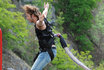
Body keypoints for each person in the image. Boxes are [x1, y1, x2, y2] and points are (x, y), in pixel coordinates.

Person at [22, 2, 57, 70]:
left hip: (47, 52)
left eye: (28, 16)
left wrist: (41, 21)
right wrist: (46, 8)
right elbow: (45, 13)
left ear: (33, 16)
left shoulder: (39, 23)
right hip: (47, 51)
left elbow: (41, 23)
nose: (27, 18)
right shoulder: (42, 18)